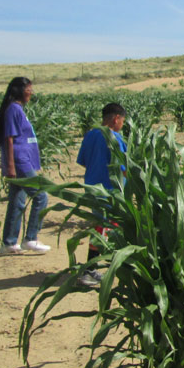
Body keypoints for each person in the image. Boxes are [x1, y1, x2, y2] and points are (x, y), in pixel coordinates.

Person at [0, 77, 50, 254]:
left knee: (17, 200)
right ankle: (31, 239)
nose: (31, 92)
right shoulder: (13, 110)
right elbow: (9, 139)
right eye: (28, 89)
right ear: (18, 90)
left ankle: (9, 243)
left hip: (23, 161)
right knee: (41, 196)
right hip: (19, 162)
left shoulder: (17, 109)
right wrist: (10, 166)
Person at [76, 102, 127, 286]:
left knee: (101, 227)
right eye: (123, 121)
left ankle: (96, 267)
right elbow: (124, 168)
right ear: (116, 118)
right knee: (103, 229)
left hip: (92, 188)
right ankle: (89, 270)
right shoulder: (113, 138)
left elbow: (82, 160)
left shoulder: (90, 134)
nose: (122, 125)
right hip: (110, 191)